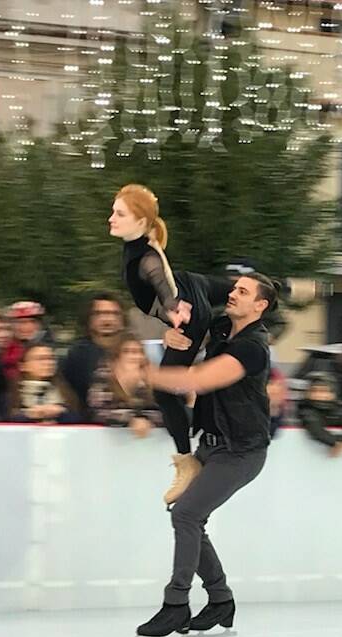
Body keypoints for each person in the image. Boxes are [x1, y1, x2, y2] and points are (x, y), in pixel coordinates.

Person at [135, 273, 277, 637]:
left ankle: (176, 604)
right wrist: (171, 337)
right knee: (186, 516)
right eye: (233, 288)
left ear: (260, 306)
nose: (232, 294)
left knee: (186, 513)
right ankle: (220, 599)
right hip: (212, 444)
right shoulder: (220, 327)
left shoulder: (253, 347)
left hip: (241, 451)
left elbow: (198, 380)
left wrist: (145, 373)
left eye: (243, 292)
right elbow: (181, 337)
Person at [111, 184, 238, 493]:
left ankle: (186, 460)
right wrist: (168, 317)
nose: (111, 218)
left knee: (164, 391)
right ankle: (288, 287)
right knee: (240, 287)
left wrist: (173, 309)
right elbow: (160, 283)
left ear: (141, 222)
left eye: (119, 213)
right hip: (192, 283)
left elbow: (159, 280)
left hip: (190, 311)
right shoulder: (142, 244)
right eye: (113, 211)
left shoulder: (145, 258)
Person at [60, 292, 126, 411]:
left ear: (122, 320)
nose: (107, 319)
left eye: (114, 313)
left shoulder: (134, 350)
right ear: (89, 319)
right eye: (99, 314)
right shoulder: (77, 355)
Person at [87, 334, 163, 436]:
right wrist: (131, 421)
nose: (134, 356)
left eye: (138, 352)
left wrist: (146, 420)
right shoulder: (103, 378)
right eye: (127, 351)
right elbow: (99, 412)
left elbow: (165, 413)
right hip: (111, 441)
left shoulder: (152, 380)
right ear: (116, 357)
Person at [7, 342, 81, 424]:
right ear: (23, 366)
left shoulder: (66, 393)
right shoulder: (11, 395)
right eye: (40, 358)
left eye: (51, 358)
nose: (48, 363)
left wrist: (60, 412)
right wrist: (30, 415)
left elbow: (77, 420)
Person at [297, 371, 342, 457]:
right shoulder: (306, 411)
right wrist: (334, 442)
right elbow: (315, 429)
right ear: (307, 393)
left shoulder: (339, 411)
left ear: (333, 394)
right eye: (314, 390)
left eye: (324, 391)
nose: (319, 395)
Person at [1, 301, 47, 383]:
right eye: (21, 322)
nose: (26, 327)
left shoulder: (49, 351)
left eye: (32, 322)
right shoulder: (3, 353)